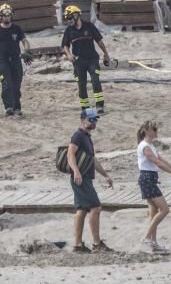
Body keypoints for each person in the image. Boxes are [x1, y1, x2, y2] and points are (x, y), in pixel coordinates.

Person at [67, 107, 114, 253]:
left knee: (81, 210)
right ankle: (96, 243)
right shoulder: (78, 136)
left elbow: (92, 160)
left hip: (84, 178)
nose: (94, 123)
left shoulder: (87, 137)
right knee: (96, 207)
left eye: (95, 120)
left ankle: (77, 245)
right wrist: (76, 171)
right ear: (82, 120)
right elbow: (70, 154)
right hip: (80, 178)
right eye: (91, 120)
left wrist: (105, 175)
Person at [135, 120, 171, 253]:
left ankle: (153, 244)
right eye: (154, 129)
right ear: (147, 131)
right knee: (164, 209)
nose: (156, 131)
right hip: (147, 179)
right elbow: (157, 162)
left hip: (151, 179)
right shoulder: (144, 146)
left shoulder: (150, 145)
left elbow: (162, 160)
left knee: (153, 212)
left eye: (156, 129)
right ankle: (146, 237)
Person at [62, 5, 110, 114]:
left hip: (92, 60)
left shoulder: (89, 26)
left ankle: (99, 106)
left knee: (95, 80)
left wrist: (106, 55)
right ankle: (85, 108)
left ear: (76, 15)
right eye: (67, 19)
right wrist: (69, 55)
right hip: (78, 62)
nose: (68, 21)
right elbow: (65, 45)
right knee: (81, 85)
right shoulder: (69, 31)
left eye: (69, 18)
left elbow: (100, 42)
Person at [0, 4, 32, 117]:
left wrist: (26, 50)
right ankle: (8, 107)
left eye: (9, 15)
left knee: (16, 85)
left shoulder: (17, 29)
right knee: (6, 84)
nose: (7, 17)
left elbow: (25, 41)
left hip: (16, 60)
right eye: (4, 15)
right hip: (2, 61)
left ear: (11, 16)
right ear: (0, 16)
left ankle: (17, 107)